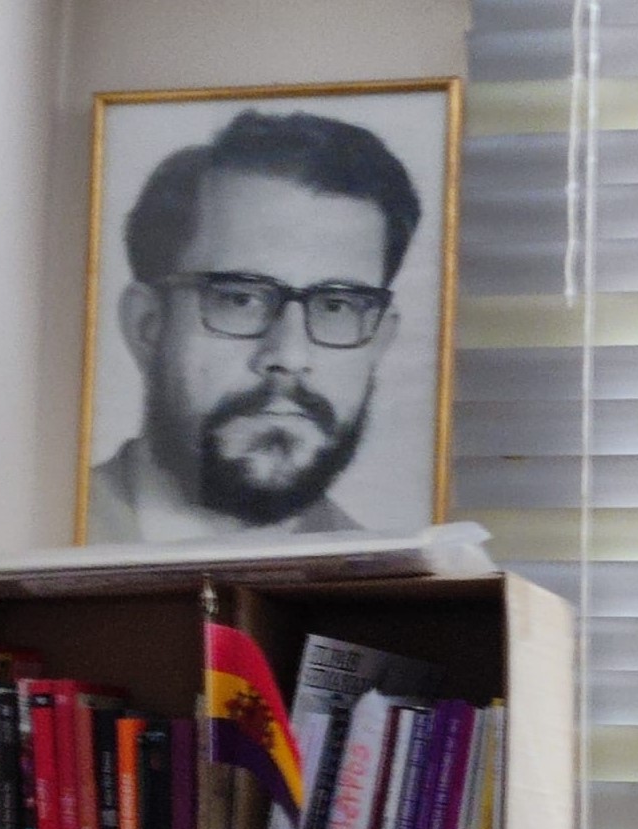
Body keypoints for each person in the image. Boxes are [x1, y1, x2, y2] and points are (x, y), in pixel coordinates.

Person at [87, 107, 421, 544]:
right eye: (240, 299)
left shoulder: (387, 582)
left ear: (378, 340)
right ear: (147, 325)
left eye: (336, 306)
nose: (289, 356)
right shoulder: (34, 528)